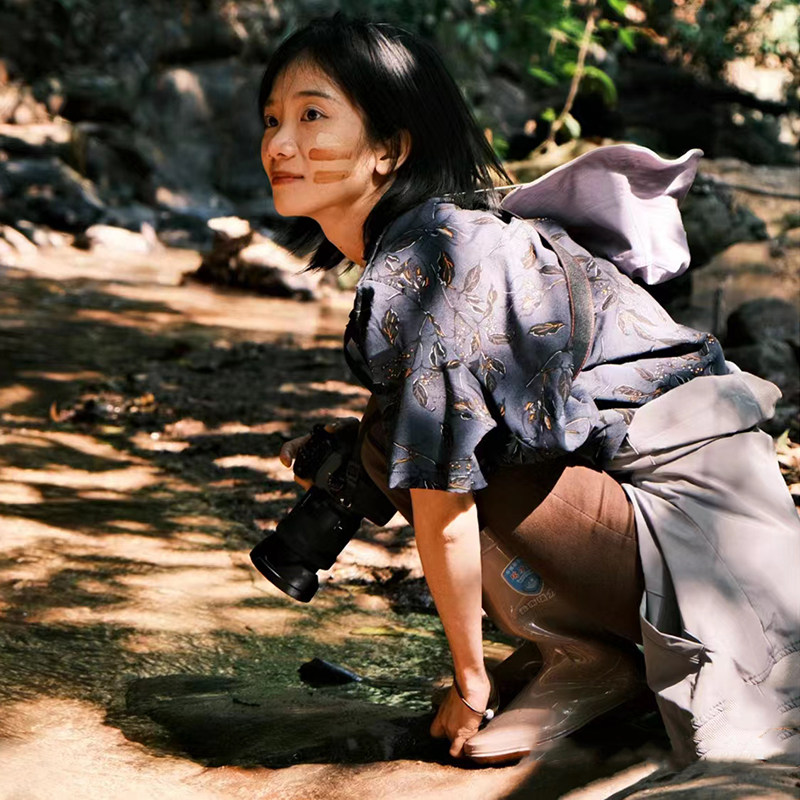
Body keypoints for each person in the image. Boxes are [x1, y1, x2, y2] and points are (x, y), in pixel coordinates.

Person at [260, 14, 800, 764]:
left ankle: (594, 658)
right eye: (273, 120)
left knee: (437, 463)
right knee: (402, 440)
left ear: (390, 148)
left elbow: (446, 498)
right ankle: (576, 655)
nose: (279, 144)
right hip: (665, 516)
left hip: (710, 539)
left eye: (311, 115)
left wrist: (468, 683)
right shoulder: (428, 242)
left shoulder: (437, 260)